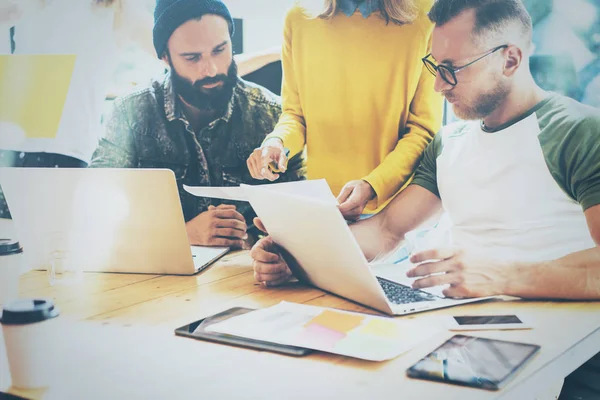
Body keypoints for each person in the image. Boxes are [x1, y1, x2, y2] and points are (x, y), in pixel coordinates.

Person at [250, 1, 600, 397]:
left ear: (510, 60)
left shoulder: (579, 131)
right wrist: (296, 253)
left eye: (452, 68)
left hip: (559, 351)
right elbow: (384, 231)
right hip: (461, 342)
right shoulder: (448, 145)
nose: (438, 85)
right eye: (435, 66)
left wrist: (501, 276)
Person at [90, 0, 305, 249]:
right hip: (157, 279)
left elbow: (303, 217)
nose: (211, 70)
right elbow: (95, 213)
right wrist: (181, 234)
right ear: (165, 57)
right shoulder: (131, 114)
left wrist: (263, 248)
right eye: (192, 58)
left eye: (220, 50)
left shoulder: (271, 115)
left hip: (248, 280)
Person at [245, 0, 443, 220]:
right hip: (325, 206)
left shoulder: (428, 16)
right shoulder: (298, 18)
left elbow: (423, 130)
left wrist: (372, 186)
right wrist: (278, 143)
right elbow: (296, 115)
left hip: (397, 210)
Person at [0, 0, 155, 218]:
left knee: (60, 241)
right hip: (13, 148)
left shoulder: (119, 7)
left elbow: (169, 45)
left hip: (71, 153)